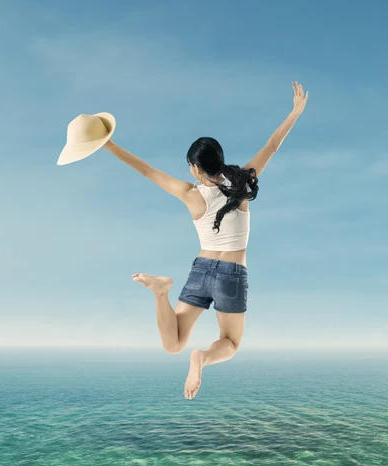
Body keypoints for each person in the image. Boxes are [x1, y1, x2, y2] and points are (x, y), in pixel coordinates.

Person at [104, 81, 308, 399]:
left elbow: (146, 170)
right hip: (231, 273)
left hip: (201, 270)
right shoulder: (242, 180)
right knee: (230, 343)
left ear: (196, 169)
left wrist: (109, 144)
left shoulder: (189, 193)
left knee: (173, 344)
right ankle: (202, 358)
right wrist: (295, 111)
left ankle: (161, 293)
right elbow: (272, 144)